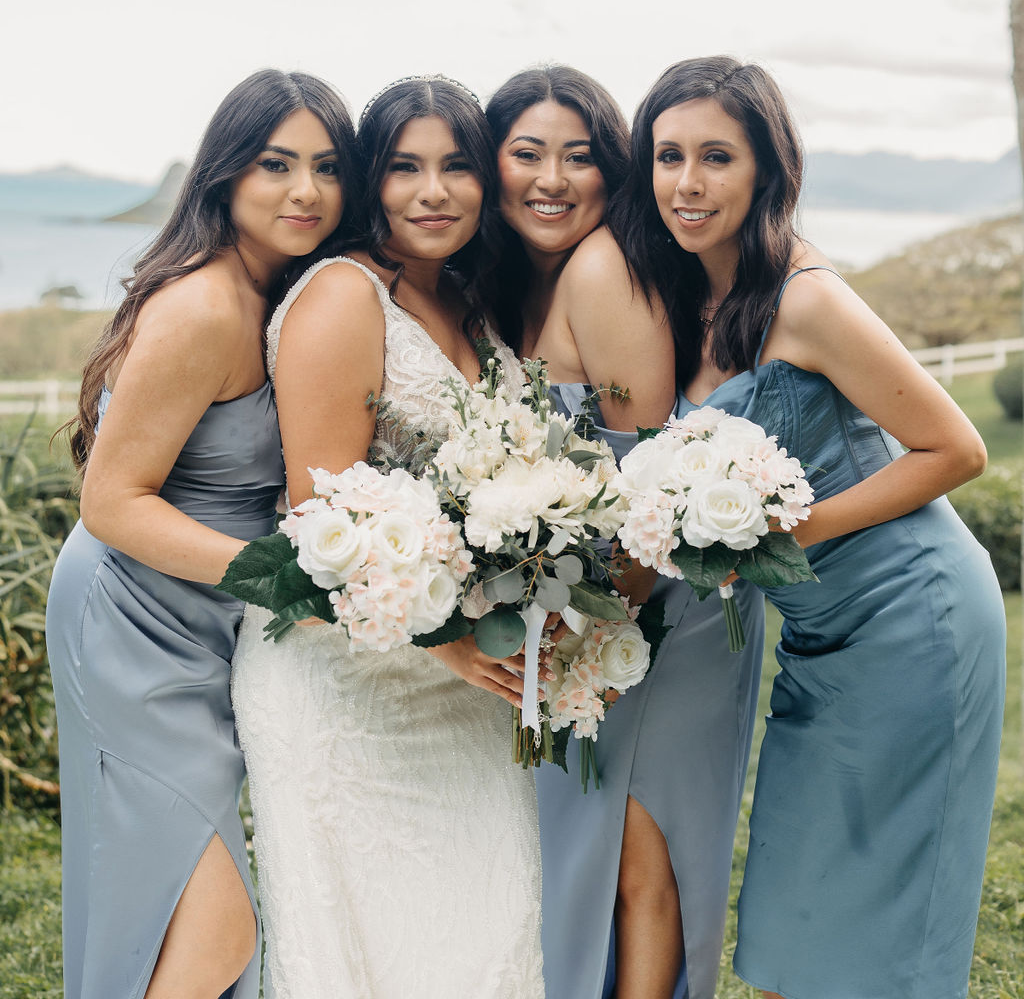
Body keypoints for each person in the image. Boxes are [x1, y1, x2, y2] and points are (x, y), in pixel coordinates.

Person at [613, 54, 1006, 999]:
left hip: (914, 617)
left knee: (878, 923)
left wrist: (770, 541)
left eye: (717, 157)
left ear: (767, 171)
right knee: (798, 902)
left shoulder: (809, 298)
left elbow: (954, 450)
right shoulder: (690, 297)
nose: (689, 183)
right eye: (669, 156)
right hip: (819, 634)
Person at [231, 74, 545, 999]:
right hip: (345, 680)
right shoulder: (343, 294)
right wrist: (440, 640)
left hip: (464, 680)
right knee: (370, 947)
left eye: (456, 167)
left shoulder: (472, 302)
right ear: (374, 182)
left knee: (490, 931)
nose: (433, 192)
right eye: (406, 168)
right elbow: (322, 521)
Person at [45, 69, 357, 999]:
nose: (305, 191)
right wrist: (290, 579)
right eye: (276, 164)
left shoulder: (280, 296)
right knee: (210, 925)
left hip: (198, 619)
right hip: (129, 622)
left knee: (183, 907)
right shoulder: (204, 306)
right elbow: (112, 500)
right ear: (225, 175)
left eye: (327, 167)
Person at [485, 64, 764, 999]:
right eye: (528, 154)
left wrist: (587, 633)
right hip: (586, 612)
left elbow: (650, 487)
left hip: (652, 612)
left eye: (582, 156)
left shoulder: (604, 272)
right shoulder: (514, 284)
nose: (553, 179)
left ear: (614, 170)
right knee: (591, 855)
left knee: (644, 862)